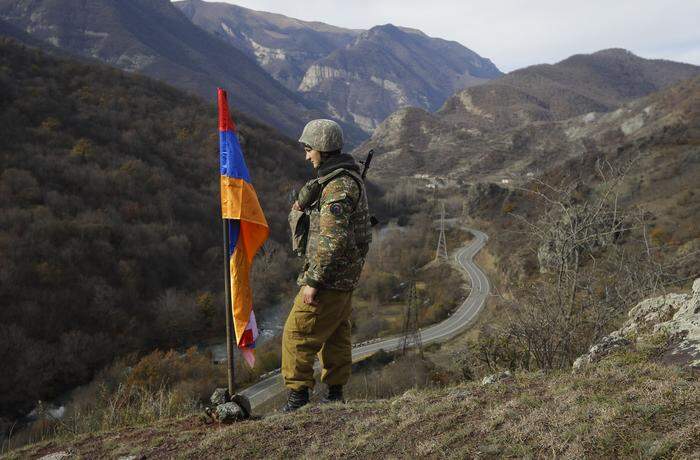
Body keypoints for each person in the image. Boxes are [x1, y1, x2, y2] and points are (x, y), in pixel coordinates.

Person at [281, 119, 372, 412]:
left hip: (329, 278)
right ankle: (334, 395)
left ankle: (298, 400)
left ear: (321, 149)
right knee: (334, 334)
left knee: (297, 334)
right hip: (342, 277)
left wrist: (314, 281)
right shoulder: (336, 179)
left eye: (309, 149)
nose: (307, 156)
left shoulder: (338, 187)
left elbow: (333, 239)